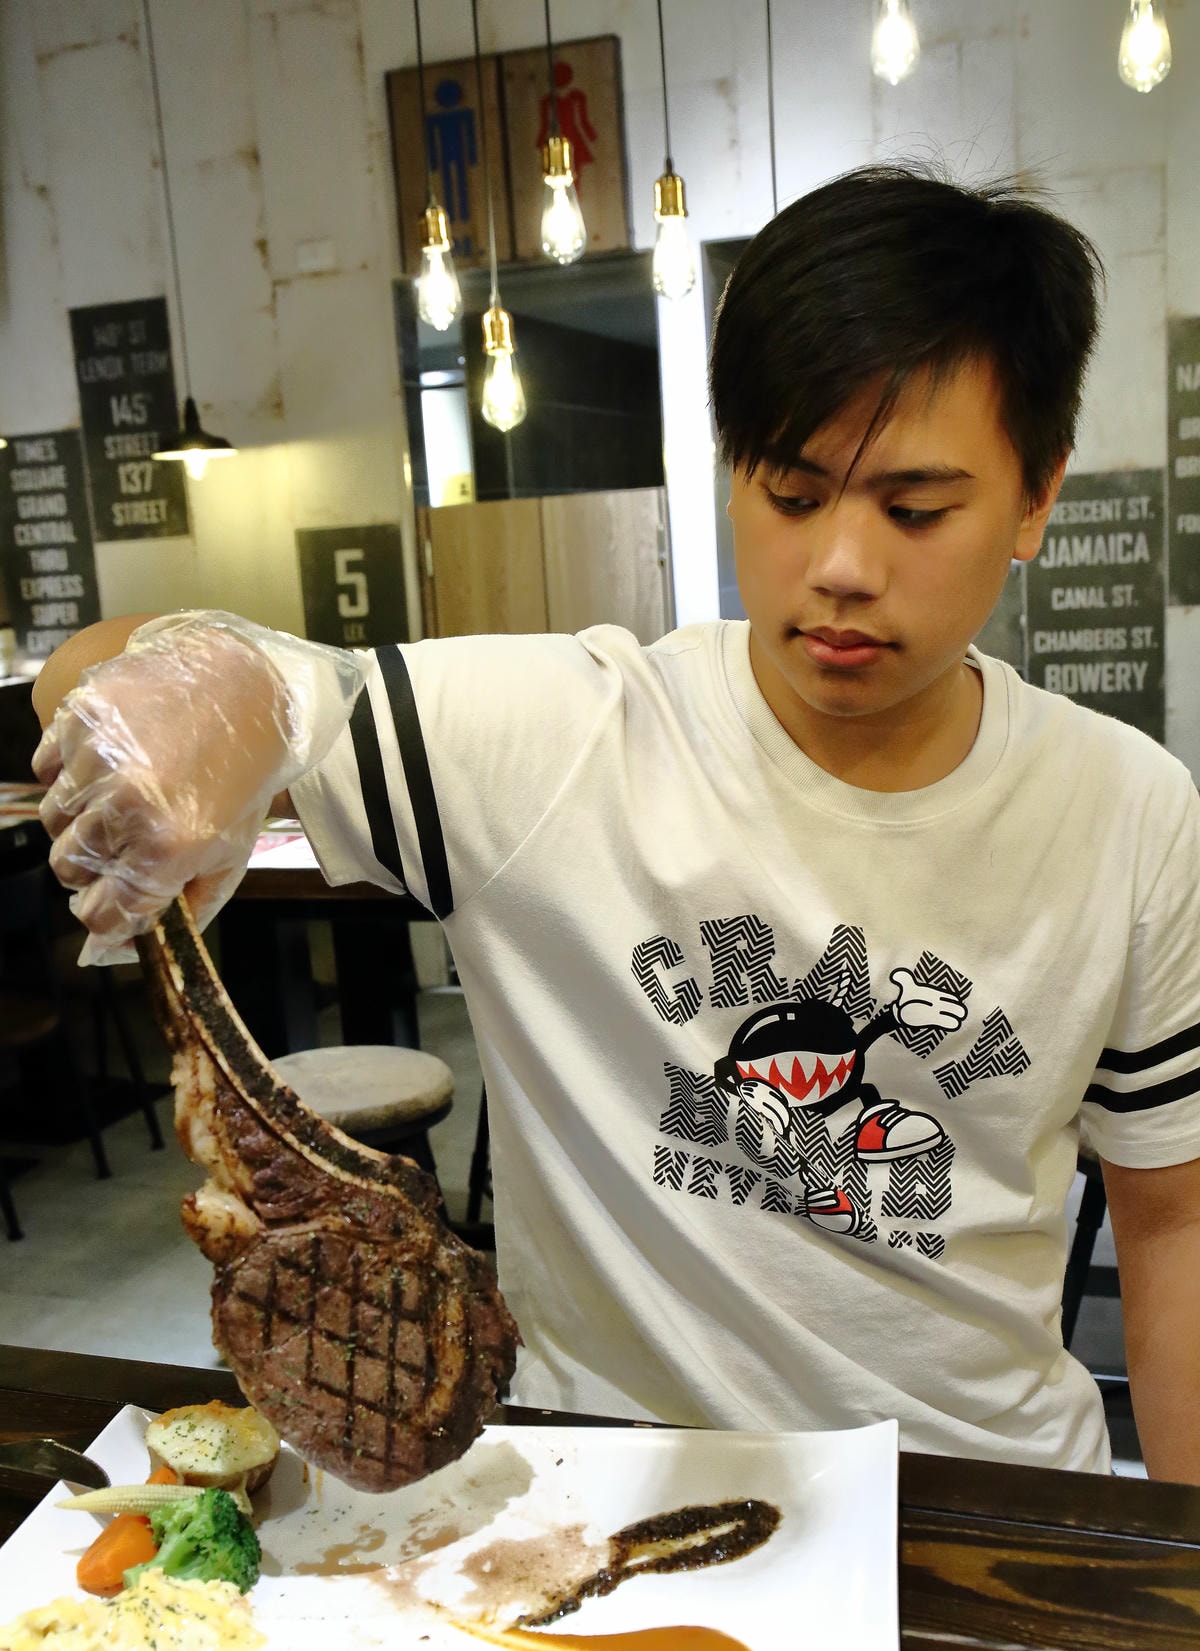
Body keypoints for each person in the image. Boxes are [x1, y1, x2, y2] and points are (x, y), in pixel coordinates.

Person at [31, 165, 1200, 1482]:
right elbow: (121, 662)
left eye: (915, 509)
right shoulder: (570, 738)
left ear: (1037, 495)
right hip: (610, 1498)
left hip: (983, 1492)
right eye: (793, 492)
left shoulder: (1129, 813)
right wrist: (192, 711)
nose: (842, 569)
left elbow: (1171, 1229)